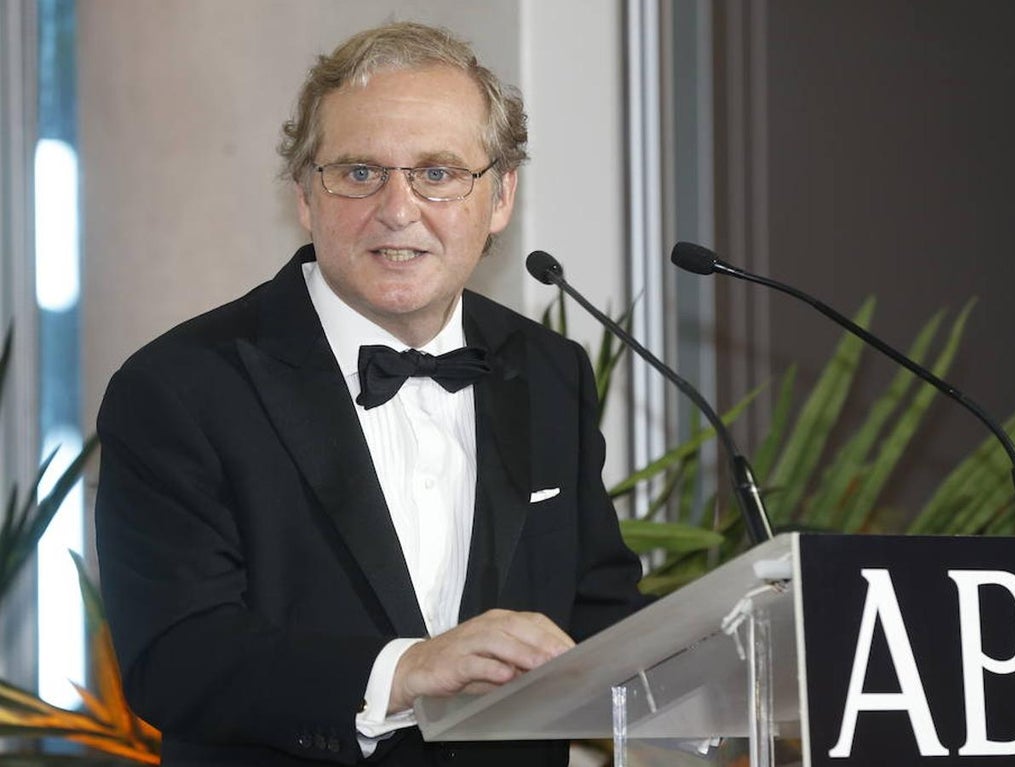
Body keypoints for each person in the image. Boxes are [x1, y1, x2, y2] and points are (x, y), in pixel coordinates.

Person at [95, 21, 645, 766]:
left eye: (438, 172)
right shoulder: (178, 388)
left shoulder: (550, 370)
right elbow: (177, 657)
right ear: (304, 193)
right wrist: (402, 672)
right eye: (359, 172)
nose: (398, 208)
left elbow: (599, 613)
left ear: (501, 196)